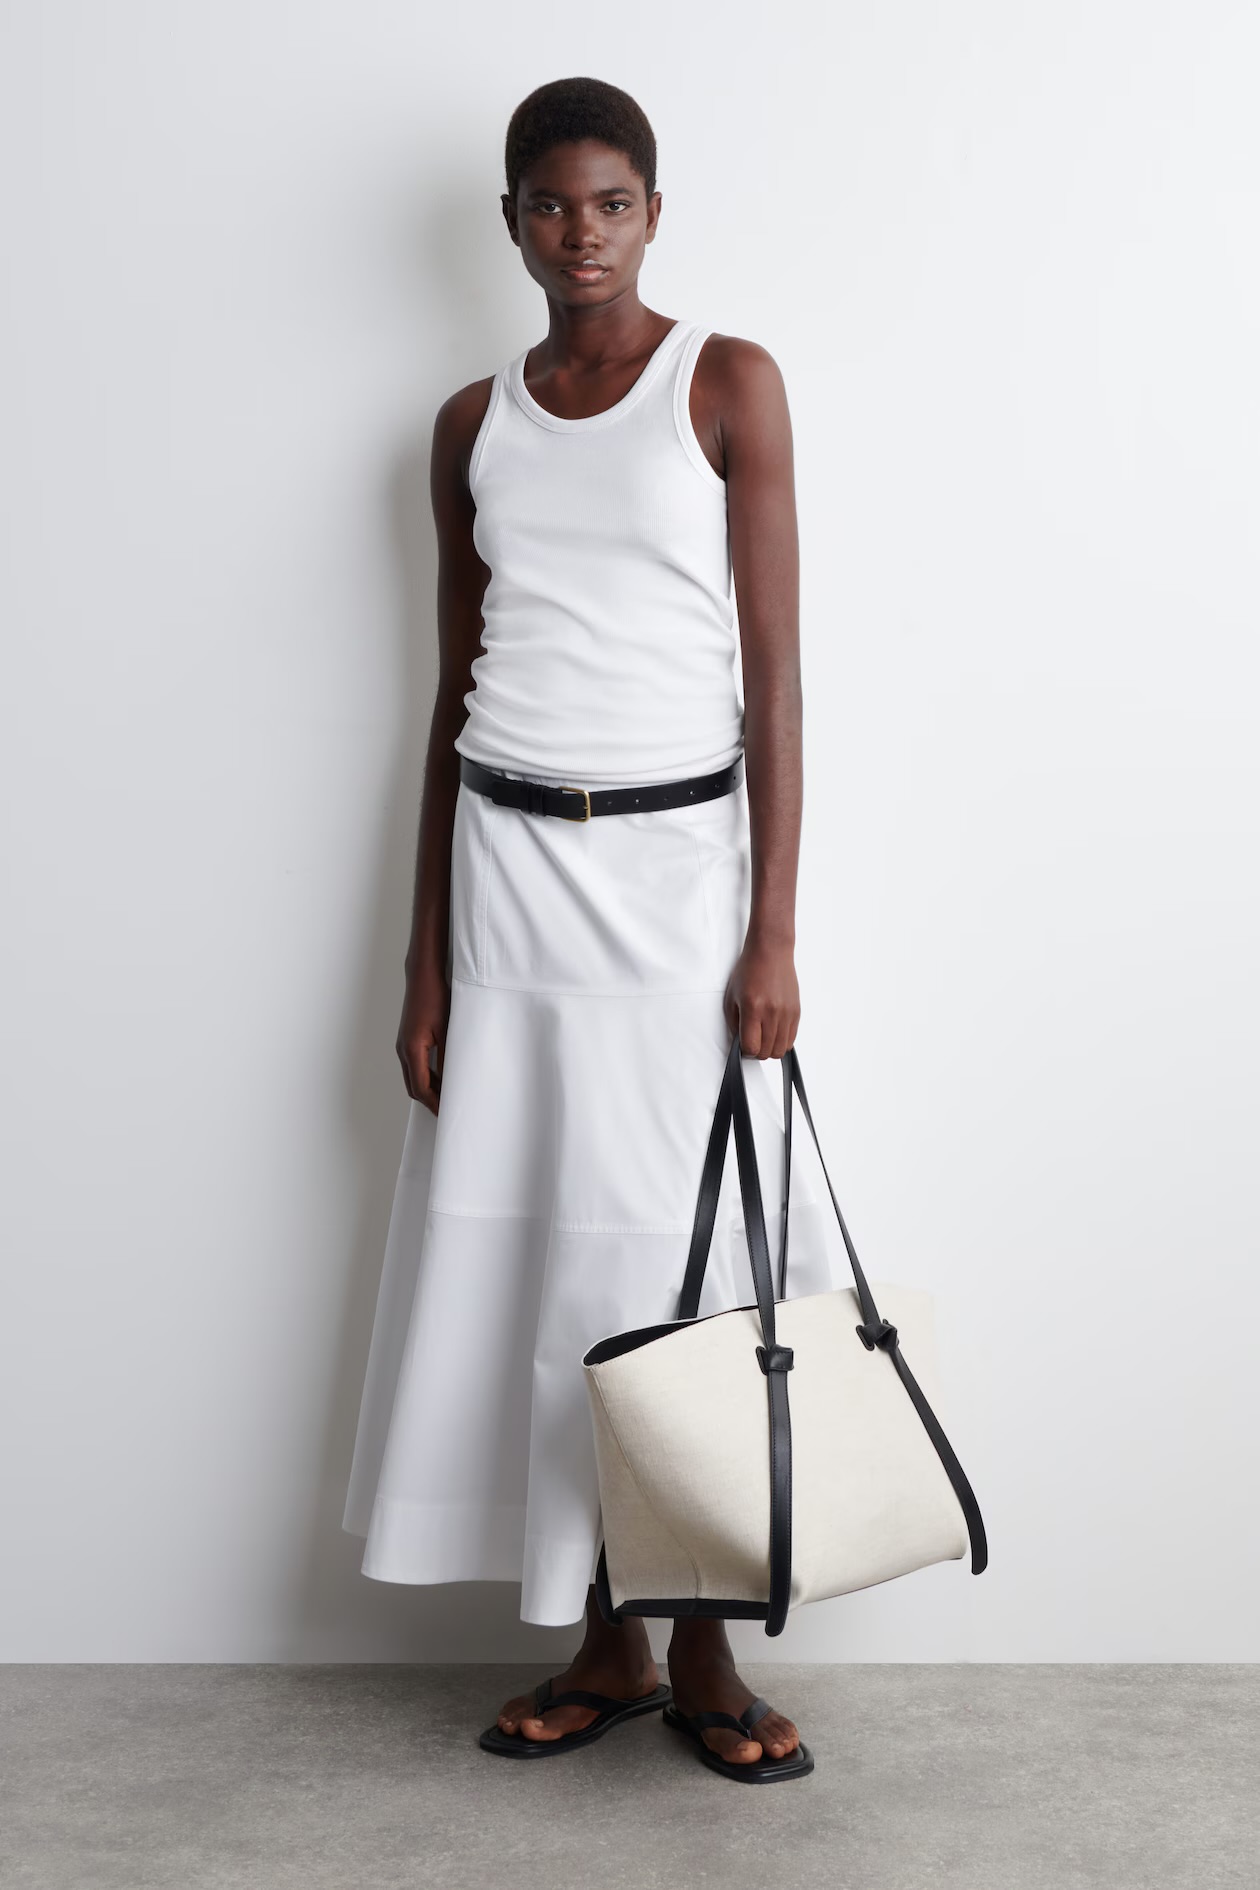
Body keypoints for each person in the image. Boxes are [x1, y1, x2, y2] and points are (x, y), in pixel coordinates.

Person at [343, 75, 841, 1783]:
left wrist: (774, 932)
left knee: (679, 1260)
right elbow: (450, 694)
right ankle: (603, 1642)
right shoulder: (468, 425)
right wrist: (424, 961)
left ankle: (704, 1645)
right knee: (539, 1252)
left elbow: (776, 680)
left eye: (611, 201)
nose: (582, 232)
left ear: (653, 212)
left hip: (679, 879)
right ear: (511, 222)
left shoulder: (727, 383)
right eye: (552, 204)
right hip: (508, 877)